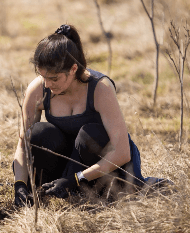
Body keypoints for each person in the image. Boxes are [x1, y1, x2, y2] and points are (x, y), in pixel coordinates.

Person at [13, 24, 167, 207]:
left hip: (103, 170)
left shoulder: (100, 89)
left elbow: (122, 152)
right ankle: (54, 191)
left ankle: (96, 193)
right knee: (37, 133)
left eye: (54, 79)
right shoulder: (38, 89)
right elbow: (23, 146)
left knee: (89, 135)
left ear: (73, 69)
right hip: (68, 167)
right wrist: (19, 186)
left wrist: (76, 179)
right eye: (43, 76)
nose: (46, 84)